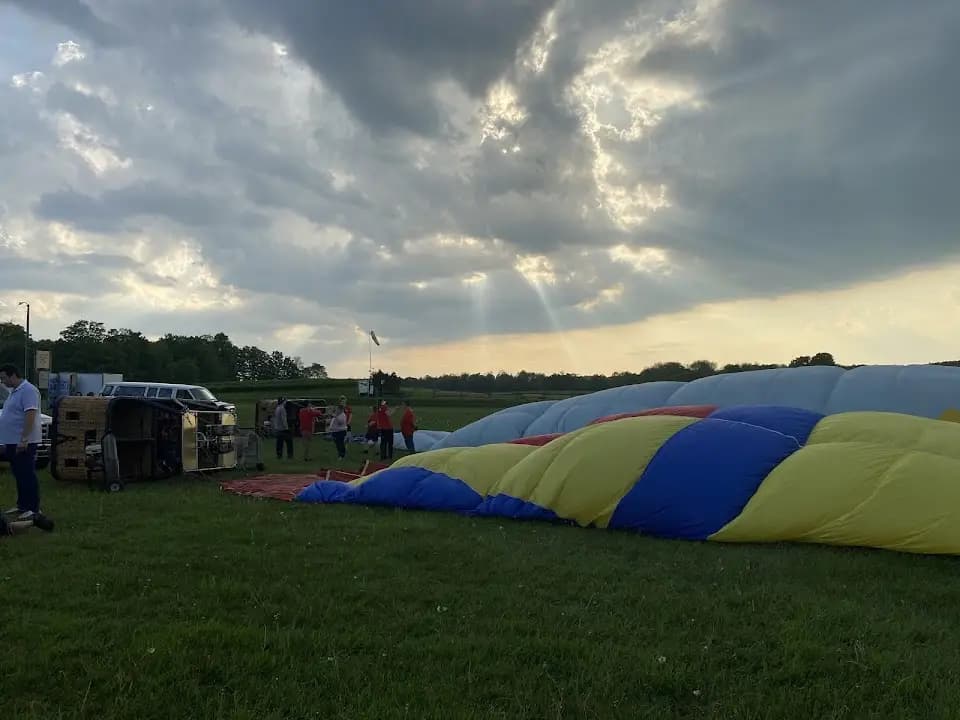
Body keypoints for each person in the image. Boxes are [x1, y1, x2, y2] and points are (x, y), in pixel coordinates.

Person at [0, 365, 42, 520]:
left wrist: (24, 438)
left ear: (13, 376)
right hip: (11, 441)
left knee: (26, 474)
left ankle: (33, 508)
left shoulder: (28, 390)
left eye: (4, 378)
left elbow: (30, 413)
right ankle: (22, 505)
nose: (2, 381)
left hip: (24, 441)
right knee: (18, 473)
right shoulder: (14, 392)